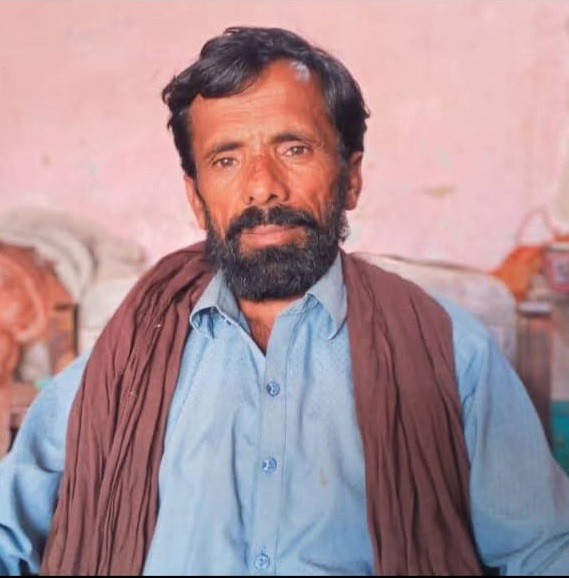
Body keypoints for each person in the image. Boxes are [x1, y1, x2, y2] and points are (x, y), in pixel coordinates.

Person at [0, 25, 568, 577]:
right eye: (226, 160)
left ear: (350, 178)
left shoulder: (451, 356)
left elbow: (545, 550)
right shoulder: (126, 358)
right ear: (196, 199)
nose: (262, 185)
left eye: (294, 148)